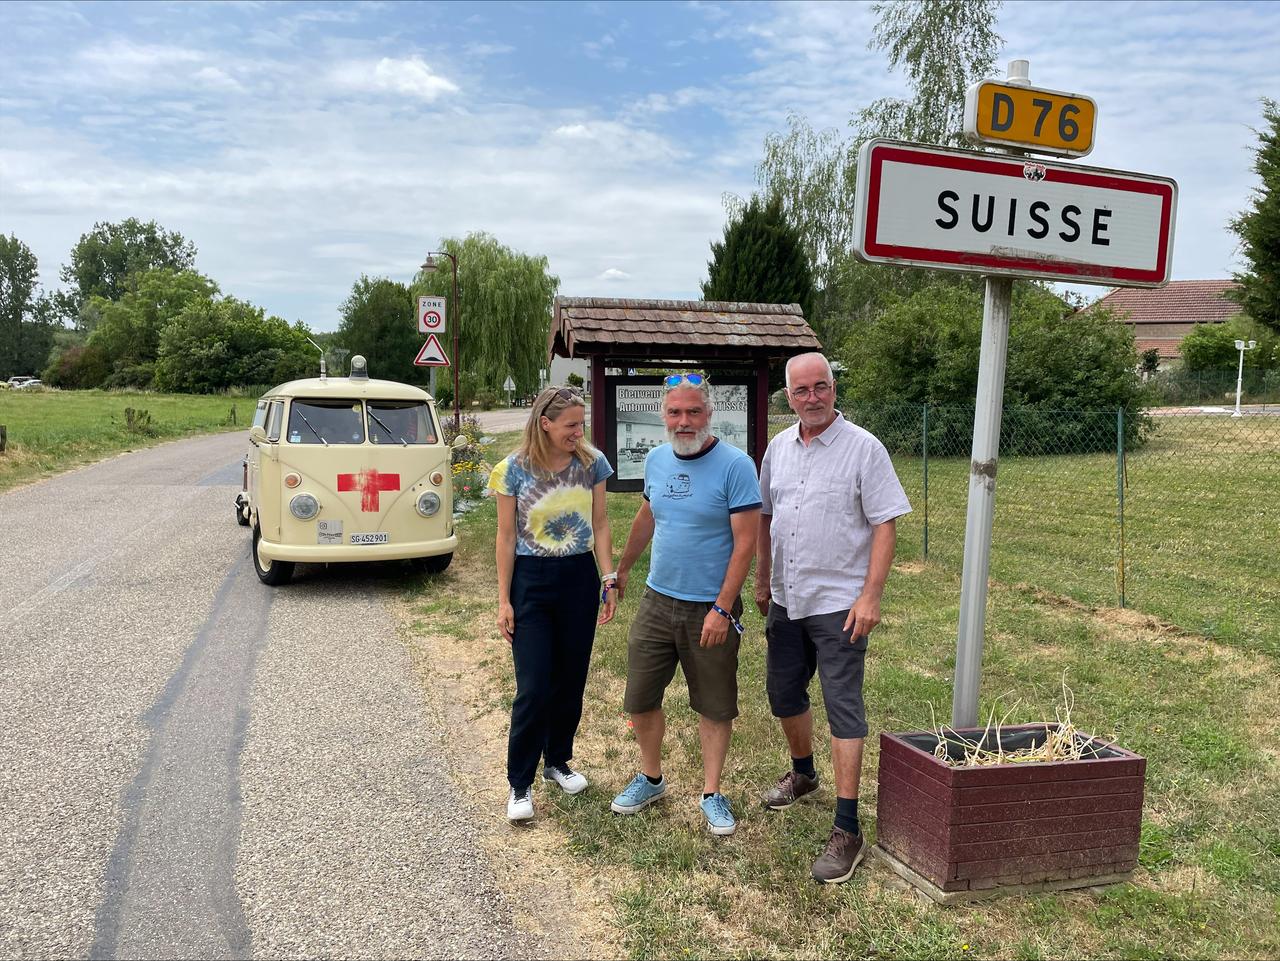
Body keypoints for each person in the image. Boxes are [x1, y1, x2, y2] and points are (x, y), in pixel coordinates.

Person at [755, 352, 911, 883]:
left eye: (821, 386)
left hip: (840, 602)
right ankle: (803, 775)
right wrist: (761, 579)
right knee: (783, 694)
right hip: (785, 598)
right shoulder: (777, 448)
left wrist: (871, 596)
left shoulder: (864, 449)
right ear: (788, 397)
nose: (813, 397)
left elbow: (885, 525)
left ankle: (848, 828)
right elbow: (766, 517)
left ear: (833, 387)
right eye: (802, 390)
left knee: (843, 706)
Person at [612, 374, 761, 836]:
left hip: (709, 608)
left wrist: (722, 607)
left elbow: (746, 545)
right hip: (658, 599)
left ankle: (713, 793)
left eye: (693, 411)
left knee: (714, 706)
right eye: (675, 412)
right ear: (663, 416)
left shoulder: (736, 465)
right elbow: (647, 515)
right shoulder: (656, 460)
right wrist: (623, 570)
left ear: (709, 414)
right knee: (639, 699)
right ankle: (651, 778)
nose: (683, 421)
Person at [488, 385, 618, 823]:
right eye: (570, 426)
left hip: (578, 577)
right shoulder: (513, 470)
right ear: (545, 424)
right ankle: (519, 783)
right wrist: (504, 599)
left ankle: (557, 761)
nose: (578, 434)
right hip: (532, 581)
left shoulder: (591, 464)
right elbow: (506, 537)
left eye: (581, 425)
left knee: (571, 679)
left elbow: (600, 523)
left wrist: (608, 578)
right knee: (534, 686)